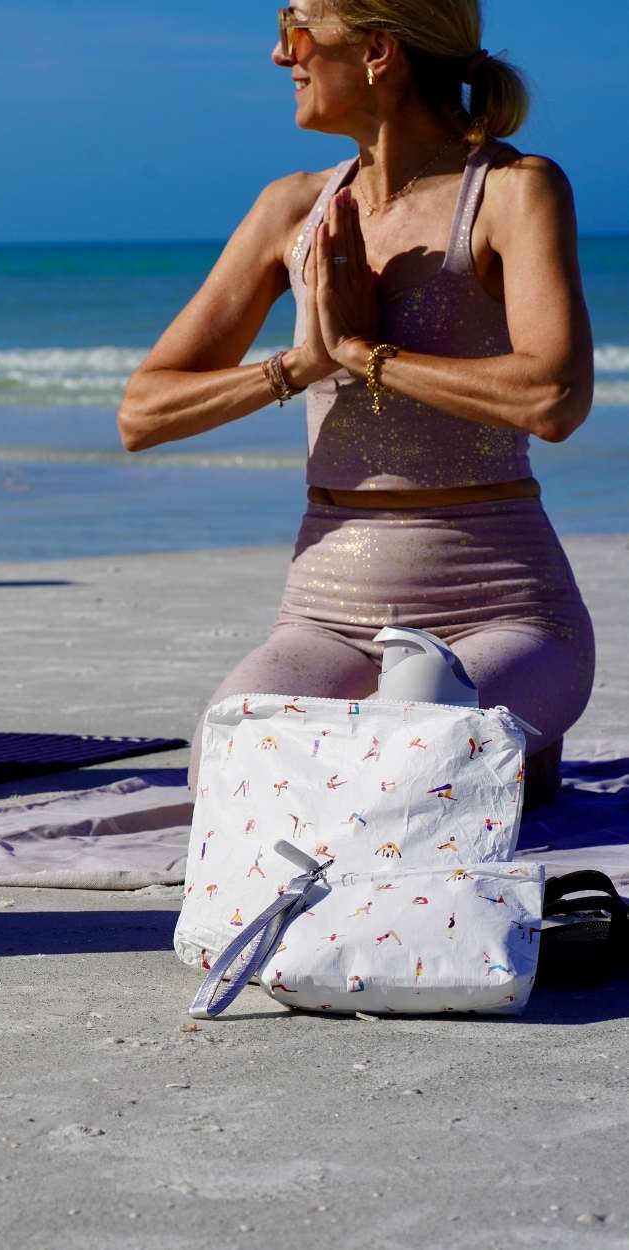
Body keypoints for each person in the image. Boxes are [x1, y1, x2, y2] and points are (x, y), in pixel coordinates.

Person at [118, 0, 596, 806]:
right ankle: (503, 758)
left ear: (377, 50)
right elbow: (144, 411)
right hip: (323, 614)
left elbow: (554, 396)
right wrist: (300, 363)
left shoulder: (514, 190)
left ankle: (495, 740)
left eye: (294, 30)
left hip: (504, 608)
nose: (280, 57)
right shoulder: (292, 207)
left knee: (396, 758)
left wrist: (365, 356)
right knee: (228, 774)